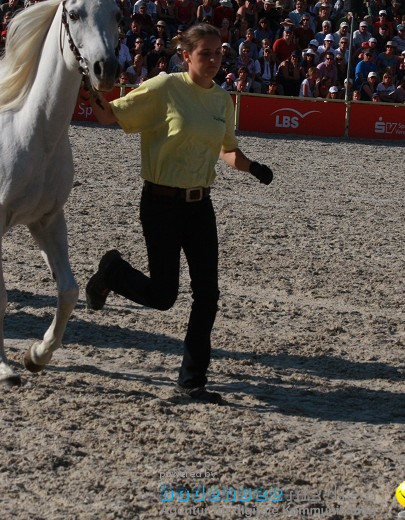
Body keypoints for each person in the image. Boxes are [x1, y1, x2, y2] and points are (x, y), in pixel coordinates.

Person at [85, 23, 274, 405]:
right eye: (205, 53)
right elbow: (111, 117)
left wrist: (252, 167)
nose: (214, 60)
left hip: (200, 205)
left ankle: (192, 382)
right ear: (185, 55)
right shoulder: (164, 88)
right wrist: (89, 84)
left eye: (219, 53)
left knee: (208, 295)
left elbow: (226, 149)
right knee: (163, 295)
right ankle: (112, 271)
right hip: (160, 204)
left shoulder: (222, 100)